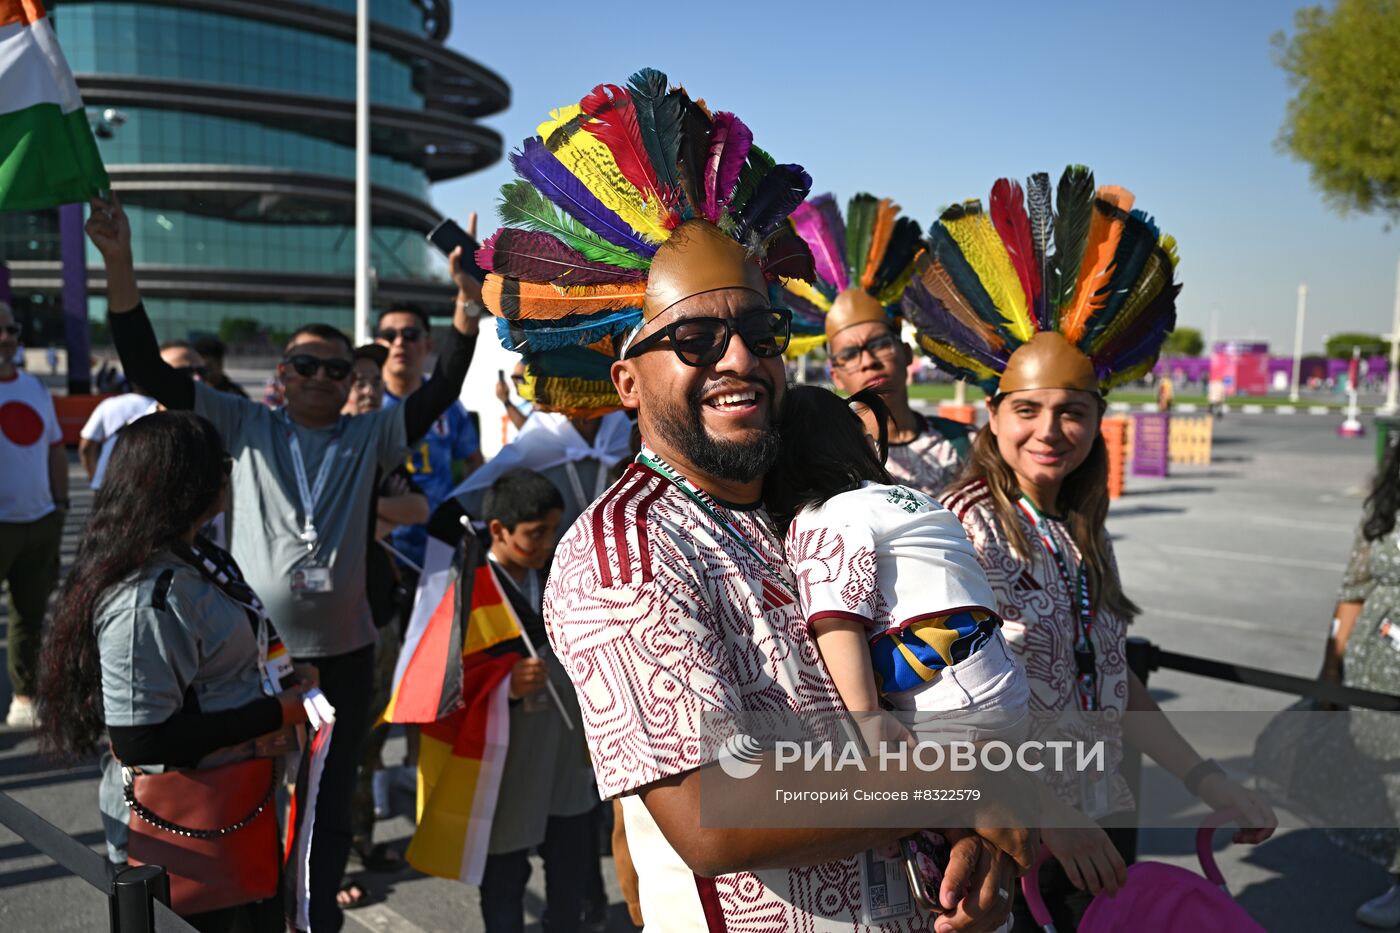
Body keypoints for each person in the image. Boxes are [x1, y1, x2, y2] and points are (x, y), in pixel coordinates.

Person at [480, 68, 1032, 933]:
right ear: (626, 379)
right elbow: (714, 812)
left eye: (759, 330)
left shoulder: (815, 510)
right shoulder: (625, 552)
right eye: (695, 337)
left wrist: (966, 836)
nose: (738, 357)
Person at [87, 191, 483, 930]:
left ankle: (317, 914)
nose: (324, 378)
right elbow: (148, 368)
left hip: (346, 652)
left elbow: (440, 392)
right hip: (256, 660)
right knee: (251, 793)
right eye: (307, 365)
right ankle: (261, 908)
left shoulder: (371, 434)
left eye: (337, 370)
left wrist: (466, 306)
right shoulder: (244, 421)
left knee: (328, 806)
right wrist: (119, 263)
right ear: (283, 371)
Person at [908, 167, 1276, 929]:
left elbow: (1115, 682)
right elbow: (926, 712)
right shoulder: (956, 527)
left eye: (1071, 411)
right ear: (992, 413)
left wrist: (1209, 780)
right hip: (1005, 849)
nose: (1050, 431)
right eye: (1029, 409)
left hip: (1095, 832)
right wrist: (1044, 811)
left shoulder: (1082, 526)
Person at [36, 411, 316, 933]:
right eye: (224, 465)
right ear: (193, 484)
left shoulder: (192, 555)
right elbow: (142, 739)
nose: (230, 476)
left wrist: (284, 678)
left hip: (234, 808)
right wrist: (274, 711)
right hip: (187, 836)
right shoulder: (146, 598)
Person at [765, 386, 1027, 738]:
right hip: (1000, 672)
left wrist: (868, 715)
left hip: (950, 696)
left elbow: (838, 622)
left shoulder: (825, 518)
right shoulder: (906, 497)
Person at [785, 194, 971, 496]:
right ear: (836, 375)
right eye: (849, 354)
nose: (868, 361)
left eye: (879, 344)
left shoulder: (963, 444)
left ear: (906, 353)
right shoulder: (822, 458)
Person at [477, 468, 596, 933]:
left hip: (566, 744)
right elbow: (450, 682)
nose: (548, 543)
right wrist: (505, 685)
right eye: (535, 533)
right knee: (505, 869)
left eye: (553, 530)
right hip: (509, 753)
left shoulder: (559, 576)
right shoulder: (470, 589)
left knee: (571, 862)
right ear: (498, 531)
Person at [342, 343, 428, 881]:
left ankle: (357, 845)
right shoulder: (309, 448)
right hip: (323, 631)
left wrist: (353, 513)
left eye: (372, 380)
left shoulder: (383, 452)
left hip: (379, 618)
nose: (368, 388)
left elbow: (416, 508)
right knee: (326, 752)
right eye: (357, 380)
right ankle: (332, 862)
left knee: (368, 742)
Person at [1320, 433, 1400, 927]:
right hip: (1377, 673)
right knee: (1389, 784)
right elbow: (1353, 591)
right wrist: (1331, 670)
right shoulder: (1387, 507)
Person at [377, 300, 484, 576]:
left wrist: (471, 517)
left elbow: (473, 460)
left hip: (440, 546)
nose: (399, 343)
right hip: (384, 548)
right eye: (389, 336)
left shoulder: (447, 405)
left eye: (410, 335)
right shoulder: (368, 408)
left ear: (427, 345)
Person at [0, 299, 67, 729]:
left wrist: (60, 504)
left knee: (29, 614)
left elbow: (55, 447)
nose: (7, 337)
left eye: (11, 329)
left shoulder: (35, 387)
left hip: (40, 522)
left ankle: (24, 699)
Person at [79, 341, 206, 489]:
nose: (198, 379)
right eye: (186, 372)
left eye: (202, 371)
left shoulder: (221, 424)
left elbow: (86, 448)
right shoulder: (137, 434)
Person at [193, 334, 249, 398]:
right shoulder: (192, 393)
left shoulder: (235, 397)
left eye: (207, 367)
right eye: (198, 368)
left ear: (220, 363)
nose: (201, 372)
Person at [496, 361, 533, 438]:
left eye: (518, 378)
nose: (514, 382)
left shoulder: (547, 407)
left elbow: (528, 430)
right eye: (513, 378)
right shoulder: (522, 404)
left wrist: (506, 401)